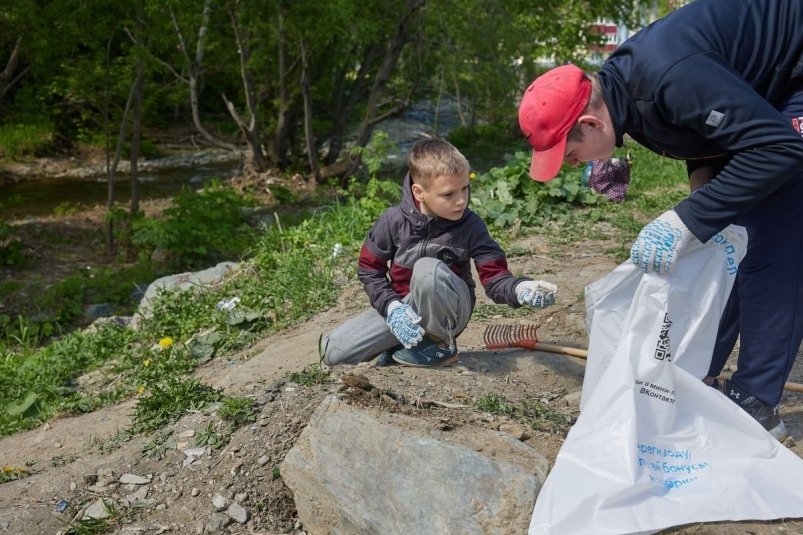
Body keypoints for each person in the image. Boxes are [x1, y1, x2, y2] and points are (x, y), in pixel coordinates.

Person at [516, 0, 803, 442]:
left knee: (768, 235)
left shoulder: (667, 78)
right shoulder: (627, 97)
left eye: (568, 155)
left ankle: (756, 403)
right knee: (726, 239)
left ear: (591, 123)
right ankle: (697, 374)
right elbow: (705, 133)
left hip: (794, 70)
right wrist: (705, 198)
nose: (572, 165)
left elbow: (779, 150)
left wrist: (687, 219)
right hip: (759, 86)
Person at [319, 138, 558, 367]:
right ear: (419, 192)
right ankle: (405, 345)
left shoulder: (471, 225)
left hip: (452, 310)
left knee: (426, 268)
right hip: (406, 308)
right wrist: (392, 308)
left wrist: (519, 289)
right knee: (334, 351)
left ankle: (440, 346)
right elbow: (369, 269)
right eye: (449, 194)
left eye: (465, 188)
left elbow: (494, 277)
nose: (461, 200)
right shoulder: (392, 222)